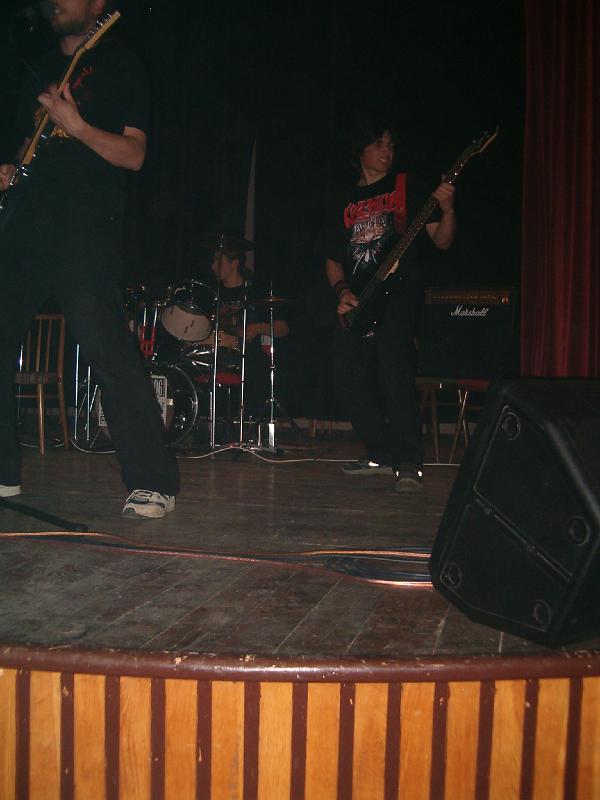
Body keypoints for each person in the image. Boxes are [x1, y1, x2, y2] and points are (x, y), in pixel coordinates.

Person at [0, 0, 179, 518]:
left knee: (104, 344)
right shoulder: (37, 67)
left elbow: (134, 155)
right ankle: (3, 471)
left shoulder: (120, 63)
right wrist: (9, 170)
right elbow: (28, 147)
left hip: (85, 224)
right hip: (27, 222)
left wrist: (76, 125)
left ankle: (153, 481)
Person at [325, 120, 455, 493]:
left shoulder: (406, 187)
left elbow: (441, 241)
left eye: (391, 145)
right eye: (380, 144)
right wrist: (341, 291)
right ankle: (381, 452)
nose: (387, 151)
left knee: (394, 369)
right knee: (346, 377)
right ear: (361, 150)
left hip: (398, 293)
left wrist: (447, 209)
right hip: (359, 297)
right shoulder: (343, 199)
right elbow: (331, 258)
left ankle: (409, 462)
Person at [207, 246, 289, 420]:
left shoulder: (255, 293)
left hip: (247, 356)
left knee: (256, 364)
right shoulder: (212, 294)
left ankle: (250, 421)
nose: (213, 266)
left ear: (234, 263)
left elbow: (282, 328)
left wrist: (258, 327)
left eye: (218, 261)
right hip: (215, 354)